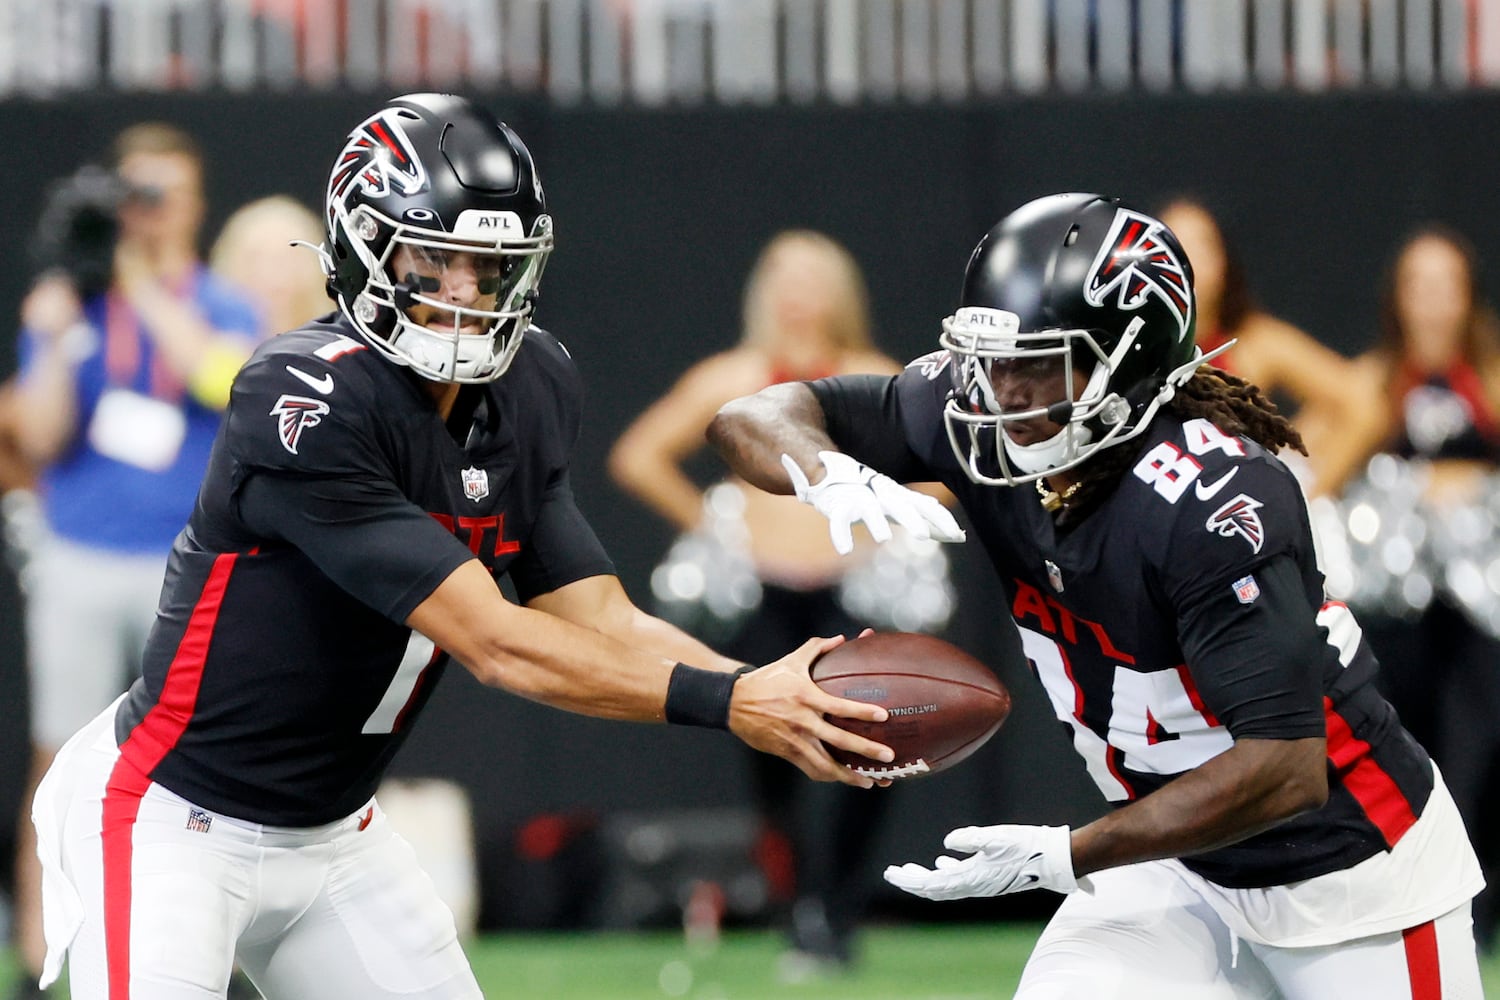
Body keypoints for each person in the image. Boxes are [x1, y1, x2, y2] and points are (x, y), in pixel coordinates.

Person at [27, 93, 891, 1000]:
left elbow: (601, 616)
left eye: (487, 266)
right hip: (174, 815)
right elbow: (499, 643)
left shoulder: (530, 386)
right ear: (364, 247)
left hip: (334, 834)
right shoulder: (304, 398)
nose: (462, 293)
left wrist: (784, 695)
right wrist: (735, 699)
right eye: (432, 258)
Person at [708, 192, 1485, 997]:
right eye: (990, 358)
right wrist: (825, 469)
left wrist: (1068, 854)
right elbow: (753, 414)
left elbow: (1286, 769)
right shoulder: (988, 418)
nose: (1000, 390)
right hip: (1174, 867)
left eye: (1037, 361)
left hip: (1350, 872)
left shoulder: (1212, 502)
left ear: (1130, 362)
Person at [609, 230, 928, 974]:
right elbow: (638, 455)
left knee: (872, 749)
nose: (796, 294)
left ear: (841, 292)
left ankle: (839, 911)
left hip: (856, 594)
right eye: (782, 277)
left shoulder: (873, 377)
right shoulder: (733, 377)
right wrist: (717, 526)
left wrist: (884, 517)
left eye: (813, 278)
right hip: (764, 596)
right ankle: (796, 915)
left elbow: (944, 472)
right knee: (773, 752)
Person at [10, 122, 261, 998]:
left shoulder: (221, 303)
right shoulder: (72, 306)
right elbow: (40, 437)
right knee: (60, 755)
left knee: (194, 757)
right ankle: (42, 948)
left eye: (164, 196)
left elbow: (219, 381)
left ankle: (203, 949)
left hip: (183, 561)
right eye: (135, 195)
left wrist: (139, 281)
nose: (148, 214)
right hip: (80, 555)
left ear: (193, 206)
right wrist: (51, 329)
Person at [1336, 225, 1500, 953]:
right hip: (1395, 619)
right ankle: (1400, 911)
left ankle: (1473, 914)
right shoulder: (1373, 385)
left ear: (1469, 299)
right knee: (1403, 760)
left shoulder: (1493, 381)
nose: (1433, 302)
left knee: (1478, 757)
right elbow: (1316, 470)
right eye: (1418, 285)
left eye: (1446, 286)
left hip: (1483, 622)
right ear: (1397, 300)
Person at [1157, 196, 1379, 499]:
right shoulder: (1132, 345)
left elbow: (1363, 406)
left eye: (1199, 246)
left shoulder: (1256, 343)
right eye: (1172, 245)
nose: (1186, 260)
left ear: (1223, 262)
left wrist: (1306, 494)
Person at [208, 194, 332, 338]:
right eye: (255, 259)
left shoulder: (342, 348)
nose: (273, 274)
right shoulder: (209, 345)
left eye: (289, 258)